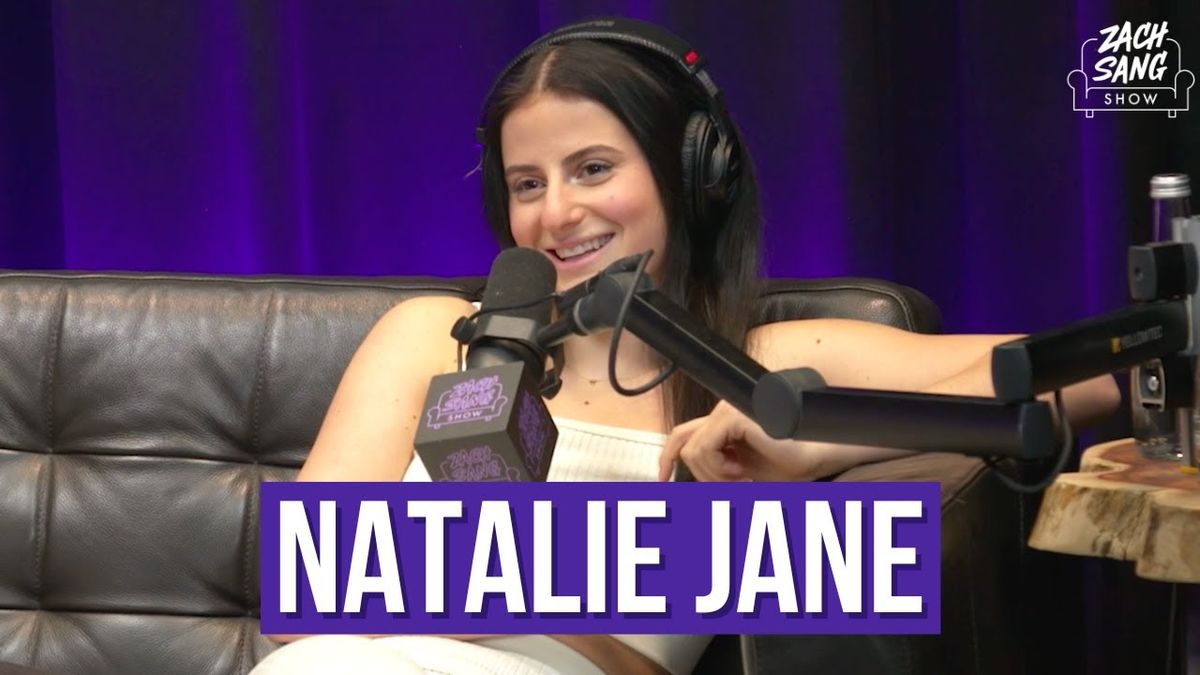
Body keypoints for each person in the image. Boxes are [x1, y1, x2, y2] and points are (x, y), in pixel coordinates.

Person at [258, 16, 1121, 675]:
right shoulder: (434, 337)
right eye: (527, 183)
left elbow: (1095, 372)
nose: (556, 213)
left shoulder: (762, 364)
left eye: (593, 168)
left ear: (693, 176)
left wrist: (818, 437)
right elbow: (300, 602)